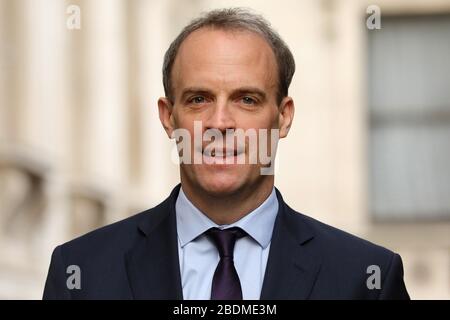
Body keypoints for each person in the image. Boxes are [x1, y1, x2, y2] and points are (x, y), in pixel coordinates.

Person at [43, 7, 409, 300]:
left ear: (283, 117)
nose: (220, 122)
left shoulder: (365, 279)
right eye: (198, 99)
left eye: (246, 100)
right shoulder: (81, 273)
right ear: (169, 118)